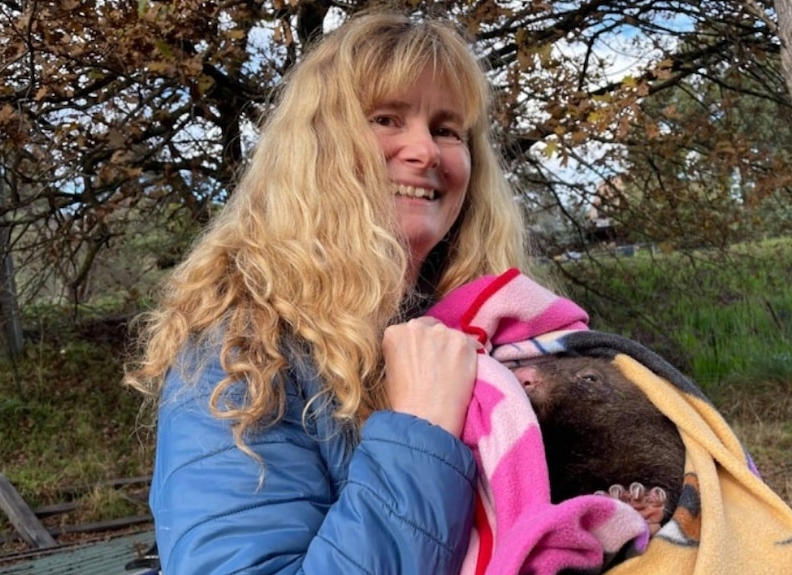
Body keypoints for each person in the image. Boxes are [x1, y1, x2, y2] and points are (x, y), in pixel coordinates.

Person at [124, 10, 529, 575]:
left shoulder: (496, 327)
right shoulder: (243, 350)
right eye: (388, 118)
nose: (426, 152)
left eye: (446, 129)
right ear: (318, 148)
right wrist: (423, 433)